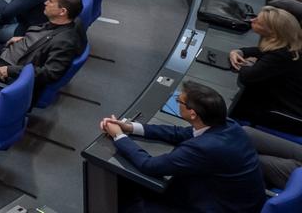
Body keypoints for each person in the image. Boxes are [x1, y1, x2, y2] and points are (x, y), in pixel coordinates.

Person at [102, 81, 266, 213]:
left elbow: (149, 165)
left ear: (193, 113)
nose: (176, 102)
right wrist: (131, 127)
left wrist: (119, 136)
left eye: (178, 101)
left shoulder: (203, 148)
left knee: (130, 198)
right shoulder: (228, 124)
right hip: (238, 198)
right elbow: (180, 133)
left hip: (222, 206)